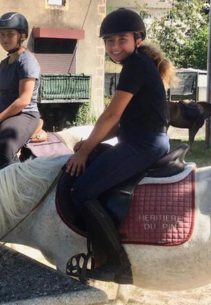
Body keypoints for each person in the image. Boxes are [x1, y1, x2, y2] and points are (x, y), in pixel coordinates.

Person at [65, 8, 176, 283]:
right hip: (144, 140)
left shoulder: (136, 65)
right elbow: (117, 123)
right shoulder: (137, 65)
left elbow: (111, 115)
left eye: (121, 40)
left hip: (144, 143)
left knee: (81, 190)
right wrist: (91, 142)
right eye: (109, 41)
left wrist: (86, 151)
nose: (114, 46)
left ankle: (117, 264)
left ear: (137, 40)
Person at [0, 12, 41, 170]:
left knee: (5, 149)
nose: (5, 39)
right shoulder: (3, 65)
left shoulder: (27, 62)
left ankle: (18, 190)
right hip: (2, 115)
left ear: (22, 35)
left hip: (24, 114)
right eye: (2, 34)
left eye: (10, 34)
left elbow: (24, 100)